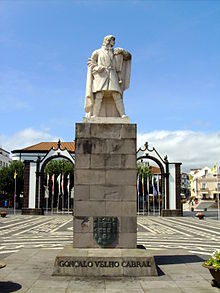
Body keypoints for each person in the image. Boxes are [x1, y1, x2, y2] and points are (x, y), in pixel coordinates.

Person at [85, 35, 131, 118]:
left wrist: (123, 51)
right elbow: (91, 64)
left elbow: (128, 56)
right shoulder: (97, 52)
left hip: (112, 74)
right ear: (108, 41)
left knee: (116, 94)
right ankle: (95, 115)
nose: (114, 43)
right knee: (99, 95)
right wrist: (97, 68)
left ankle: (122, 114)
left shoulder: (115, 52)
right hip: (101, 75)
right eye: (113, 40)